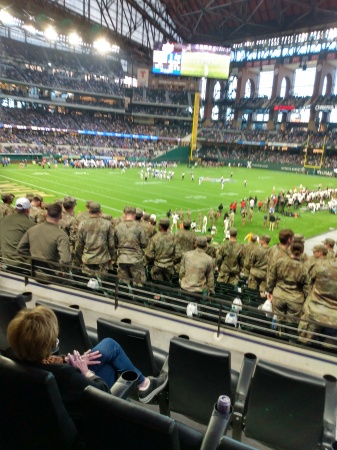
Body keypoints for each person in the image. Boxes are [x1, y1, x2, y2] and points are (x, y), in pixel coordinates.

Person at [7, 306, 168, 422]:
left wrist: (66, 360)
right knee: (108, 366)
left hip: (47, 408)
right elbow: (102, 392)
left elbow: (40, 361)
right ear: (49, 345)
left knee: (108, 346)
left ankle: (144, 384)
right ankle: (142, 390)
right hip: (81, 415)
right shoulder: (68, 376)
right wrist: (86, 372)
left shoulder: (10, 357)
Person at [17, 203, 71, 282]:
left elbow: (20, 249)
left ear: (46, 215)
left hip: (34, 272)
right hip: (52, 276)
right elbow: (65, 260)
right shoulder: (61, 235)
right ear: (60, 216)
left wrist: (32, 261)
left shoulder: (32, 229)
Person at [267, 241, 309, 325]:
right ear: (302, 251)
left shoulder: (280, 262)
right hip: (295, 299)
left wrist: (269, 291)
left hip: (279, 295)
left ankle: (278, 336)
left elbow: (272, 278)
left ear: (290, 249)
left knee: (278, 322)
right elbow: (307, 286)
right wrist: (306, 299)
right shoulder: (304, 268)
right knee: (292, 325)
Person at [298, 258, 337, 348]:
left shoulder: (320, 265)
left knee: (303, 346)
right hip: (335, 321)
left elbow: (309, 282)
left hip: (314, 313)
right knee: (327, 353)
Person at [75, 202, 115, 277]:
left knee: (87, 284)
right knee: (101, 284)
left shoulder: (83, 223)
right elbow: (111, 245)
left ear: (89, 211)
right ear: (100, 211)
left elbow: (79, 244)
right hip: (102, 259)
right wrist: (111, 257)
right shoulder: (107, 223)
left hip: (87, 259)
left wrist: (80, 258)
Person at [114, 206, 148, 284]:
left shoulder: (118, 226)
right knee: (138, 285)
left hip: (122, 258)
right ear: (135, 214)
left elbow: (114, 243)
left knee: (123, 286)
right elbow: (144, 244)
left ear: (124, 214)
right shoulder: (139, 227)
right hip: (135, 258)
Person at [0, 197, 35, 270]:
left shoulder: (5, 219)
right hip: (19, 263)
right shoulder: (30, 224)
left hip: (4, 258)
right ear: (28, 210)